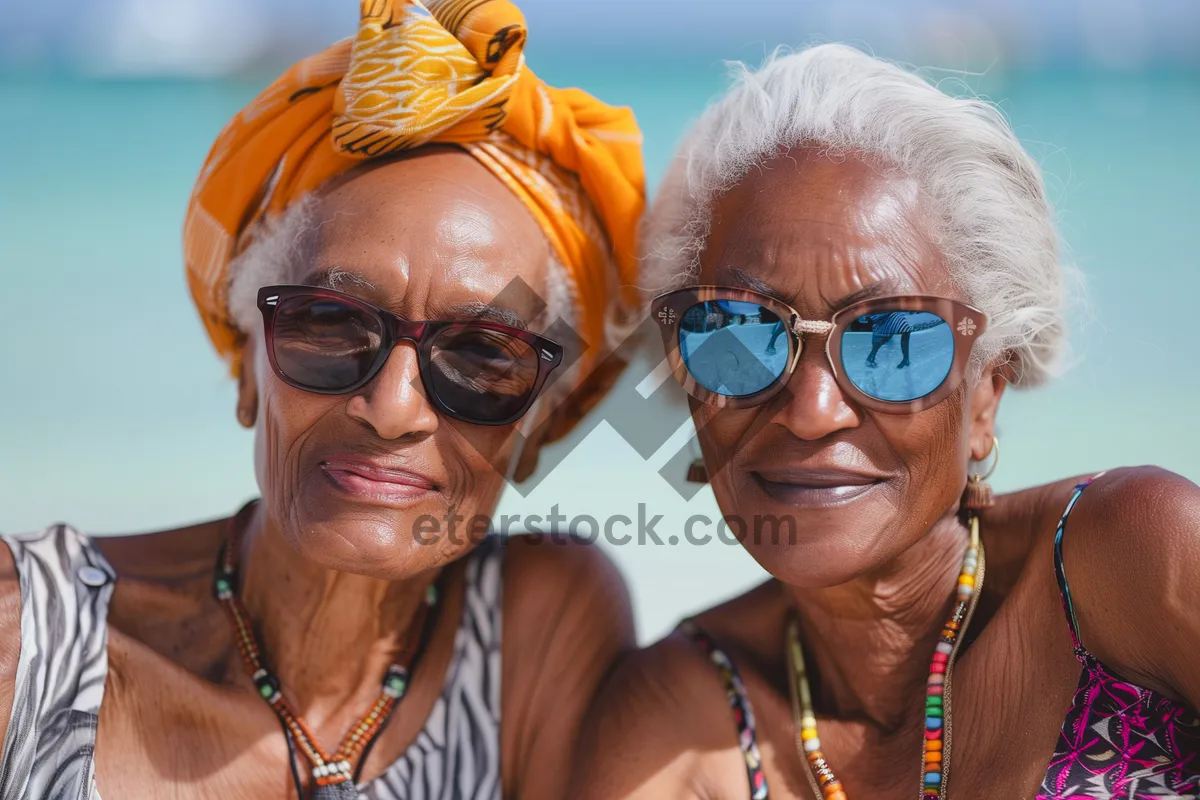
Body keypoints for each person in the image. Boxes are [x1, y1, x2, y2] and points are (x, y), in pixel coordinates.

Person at [0, 2, 645, 798]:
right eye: (331, 324)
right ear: (246, 367)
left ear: (541, 425)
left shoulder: (538, 629)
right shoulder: (25, 647)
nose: (394, 406)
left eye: (482, 353)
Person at [574, 45, 1200, 799]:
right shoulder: (674, 721)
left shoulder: (1135, 564)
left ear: (986, 396)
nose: (811, 411)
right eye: (740, 333)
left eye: (893, 340)